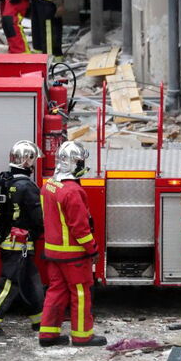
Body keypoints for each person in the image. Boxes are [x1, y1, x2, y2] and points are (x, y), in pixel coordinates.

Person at [38, 140, 106, 347]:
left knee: (56, 291)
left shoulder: (48, 185)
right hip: (73, 255)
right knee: (81, 293)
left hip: (53, 252)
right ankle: (82, 336)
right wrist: (92, 249)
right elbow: (80, 227)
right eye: (81, 162)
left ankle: (48, 334)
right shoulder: (72, 191)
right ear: (74, 164)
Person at [0, 140, 45, 336]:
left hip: (10, 240)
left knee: (31, 280)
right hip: (19, 244)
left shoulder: (5, 180)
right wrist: (39, 232)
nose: (34, 165)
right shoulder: (27, 186)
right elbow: (37, 217)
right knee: (9, 283)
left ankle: (41, 320)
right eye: (33, 161)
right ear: (27, 162)